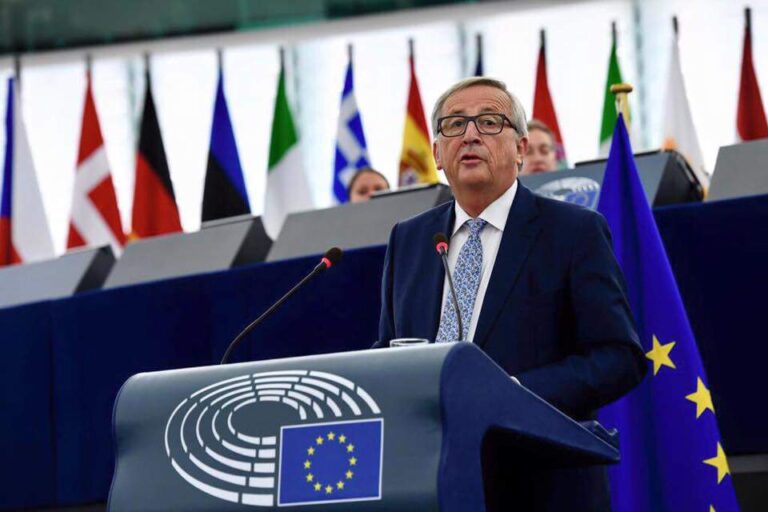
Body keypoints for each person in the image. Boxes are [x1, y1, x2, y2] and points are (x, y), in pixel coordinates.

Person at [375, 77, 646, 511]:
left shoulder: (573, 231)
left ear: (520, 149)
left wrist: (510, 394)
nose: (470, 134)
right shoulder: (409, 239)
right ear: (438, 154)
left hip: (539, 483)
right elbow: (388, 350)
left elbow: (619, 356)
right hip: (429, 483)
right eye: (454, 124)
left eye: (489, 121)